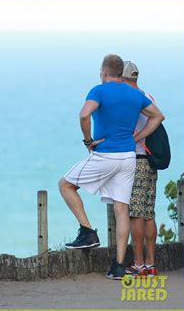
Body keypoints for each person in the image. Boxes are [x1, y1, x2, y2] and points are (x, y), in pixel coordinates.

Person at [58, 54, 165, 280]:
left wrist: (88, 141)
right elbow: (158, 116)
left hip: (106, 154)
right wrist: (139, 137)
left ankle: (87, 231)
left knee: (65, 185)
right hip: (128, 158)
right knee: (122, 208)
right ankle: (118, 266)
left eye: (100, 70)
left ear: (105, 72)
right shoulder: (136, 94)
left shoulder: (99, 90)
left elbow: (84, 114)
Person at [121, 61, 159, 277]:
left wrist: (136, 137)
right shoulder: (148, 97)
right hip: (150, 161)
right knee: (148, 213)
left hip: (136, 159)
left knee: (135, 213)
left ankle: (138, 264)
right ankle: (151, 264)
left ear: (124, 79)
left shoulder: (130, 100)